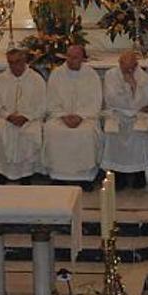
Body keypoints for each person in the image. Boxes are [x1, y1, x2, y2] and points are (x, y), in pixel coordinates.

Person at [43, 45, 103, 189]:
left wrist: (80, 116)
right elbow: (51, 100)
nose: (71, 60)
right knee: (53, 131)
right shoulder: (57, 74)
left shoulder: (91, 75)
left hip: (86, 117)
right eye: (68, 56)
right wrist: (63, 116)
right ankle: (58, 176)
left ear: (83, 58)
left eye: (75, 57)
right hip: (60, 117)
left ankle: (85, 177)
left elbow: (95, 101)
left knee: (86, 133)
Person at [0, 47, 46, 185]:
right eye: (10, 62)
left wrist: (26, 117)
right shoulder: (1, 79)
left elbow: (43, 104)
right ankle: (2, 172)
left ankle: (26, 173)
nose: (14, 66)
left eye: (17, 62)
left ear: (24, 60)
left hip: (30, 119)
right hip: (6, 118)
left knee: (30, 131)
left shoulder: (36, 79)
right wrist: (8, 116)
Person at [102, 51, 148, 190]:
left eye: (132, 67)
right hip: (117, 114)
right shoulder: (110, 75)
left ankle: (138, 174)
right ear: (120, 63)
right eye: (126, 68)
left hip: (137, 115)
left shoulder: (144, 77)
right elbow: (112, 99)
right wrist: (128, 89)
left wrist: (134, 85)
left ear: (136, 65)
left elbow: (145, 100)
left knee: (138, 134)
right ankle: (117, 176)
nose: (129, 71)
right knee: (114, 136)